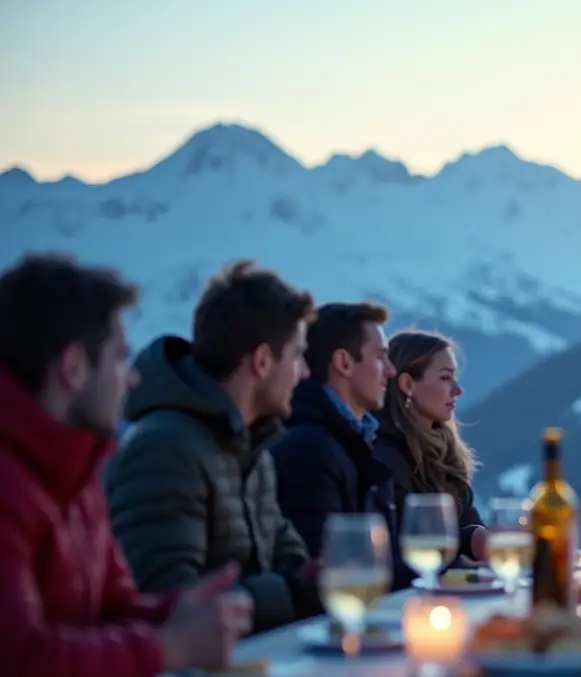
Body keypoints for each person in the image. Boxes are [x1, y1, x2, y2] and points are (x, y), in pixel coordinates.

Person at [0, 254, 252, 677]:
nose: (132, 377)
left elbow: (110, 609)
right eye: (119, 359)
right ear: (74, 367)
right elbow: (15, 670)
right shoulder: (10, 480)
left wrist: (180, 611)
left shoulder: (75, 466)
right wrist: (170, 647)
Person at [105, 261, 321, 634]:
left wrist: (310, 580)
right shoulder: (164, 449)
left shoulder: (253, 450)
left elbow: (292, 565)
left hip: (251, 668)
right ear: (262, 361)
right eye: (297, 355)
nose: (303, 372)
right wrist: (296, 590)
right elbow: (168, 603)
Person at [269, 302, 409, 588]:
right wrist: (442, 570)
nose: (391, 371)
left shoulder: (355, 443)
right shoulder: (308, 451)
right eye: (381, 357)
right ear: (344, 363)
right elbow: (333, 570)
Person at [373, 330, 489, 565]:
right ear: (407, 384)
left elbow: (466, 525)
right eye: (446, 378)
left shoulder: (443, 454)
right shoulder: (384, 457)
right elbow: (407, 549)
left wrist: (478, 536)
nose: (458, 390)